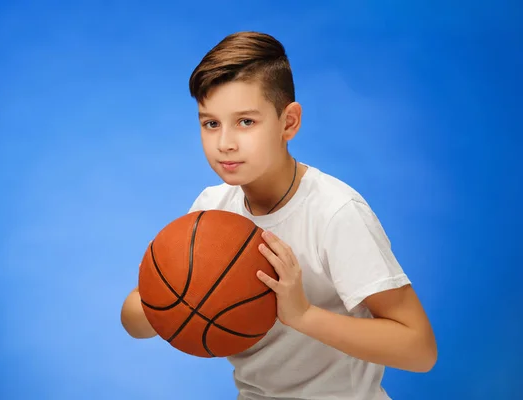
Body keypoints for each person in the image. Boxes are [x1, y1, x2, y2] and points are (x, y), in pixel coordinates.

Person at [120, 31, 437, 400]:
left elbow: (420, 350)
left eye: (246, 122)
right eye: (211, 123)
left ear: (288, 122)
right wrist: (169, 288)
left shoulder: (334, 212)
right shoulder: (211, 210)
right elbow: (136, 322)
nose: (225, 143)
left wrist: (303, 315)